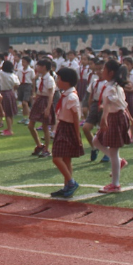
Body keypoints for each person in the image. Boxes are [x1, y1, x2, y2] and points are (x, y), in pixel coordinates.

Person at [92, 59, 132, 193]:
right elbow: (113, 103)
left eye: (104, 69)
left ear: (111, 72)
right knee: (96, 141)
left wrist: (104, 119)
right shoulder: (113, 85)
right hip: (115, 116)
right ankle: (119, 162)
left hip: (115, 118)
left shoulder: (112, 87)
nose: (102, 71)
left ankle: (115, 184)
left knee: (114, 151)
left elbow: (109, 104)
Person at [50, 67, 83, 198]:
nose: (57, 81)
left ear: (66, 81)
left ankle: (71, 182)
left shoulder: (71, 97)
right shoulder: (66, 94)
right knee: (66, 158)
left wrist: (77, 135)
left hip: (68, 128)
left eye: (59, 79)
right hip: (63, 125)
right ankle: (67, 186)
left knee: (57, 157)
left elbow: (76, 117)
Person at [28, 59, 55, 157]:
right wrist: (36, 96)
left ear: (44, 67)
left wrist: (48, 108)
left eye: (39, 66)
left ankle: (47, 149)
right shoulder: (40, 77)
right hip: (39, 99)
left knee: (45, 126)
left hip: (46, 101)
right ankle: (39, 145)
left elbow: (51, 94)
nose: (37, 68)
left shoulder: (49, 78)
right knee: (31, 125)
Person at [0, 60, 20, 136]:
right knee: (10, 112)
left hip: (4, 92)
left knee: (7, 112)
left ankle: (9, 130)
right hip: (11, 92)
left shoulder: (1, 73)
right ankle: (9, 128)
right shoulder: (13, 75)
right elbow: (17, 85)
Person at [17, 56, 34, 125]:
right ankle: (24, 118)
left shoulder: (31, 71)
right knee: (22, 103)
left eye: (24, 62)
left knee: (25, 102)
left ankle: (29, 118)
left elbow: (33, 80)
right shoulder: (20, 70)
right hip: (21, 85)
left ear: (28, 63)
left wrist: (33, 90)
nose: (22, 63)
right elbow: (18, 77)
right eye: (22, 61)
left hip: (27, 85)